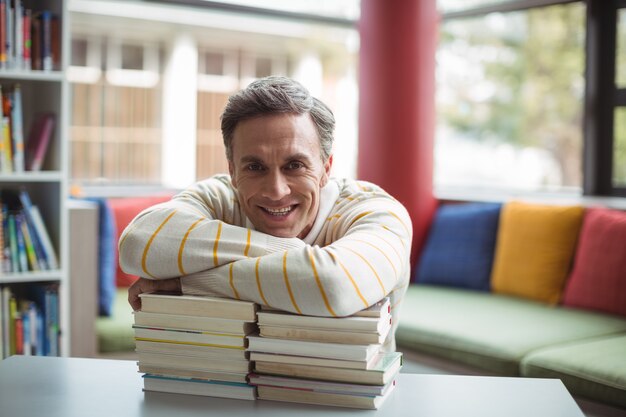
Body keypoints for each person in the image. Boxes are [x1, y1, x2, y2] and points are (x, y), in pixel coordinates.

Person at [119, 76, 412, 350]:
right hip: (231, 394)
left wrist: (185, 284)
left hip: (349, 400)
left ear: (326, 168)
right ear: (233, 171)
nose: (276, 191)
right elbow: (137, 244)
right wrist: (298, 255)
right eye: (255, 167)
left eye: (294, 165)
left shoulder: (377, 212)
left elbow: (333, 285)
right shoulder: (221, 196)